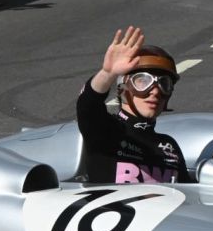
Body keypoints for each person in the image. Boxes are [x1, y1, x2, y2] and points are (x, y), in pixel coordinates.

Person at [77, 25, 192, 184]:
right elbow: (87, 105)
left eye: (164, 84)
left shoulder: (169, 147)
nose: (155, 92)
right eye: (143, 81)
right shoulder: (106, 131)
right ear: (123, 88)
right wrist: (108, 73)